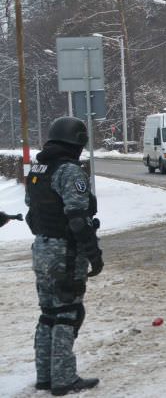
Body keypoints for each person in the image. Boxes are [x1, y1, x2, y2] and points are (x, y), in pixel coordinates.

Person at [25, 117, 102, 395]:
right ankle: (64, 379)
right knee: (68, 313)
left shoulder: (38, 169)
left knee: (48, 313)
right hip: (65, 252)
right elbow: (78, 219)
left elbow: (32, 214)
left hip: (41, 249)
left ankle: (45, 376)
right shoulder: (69, 171)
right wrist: (94, 254)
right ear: (77, 142)